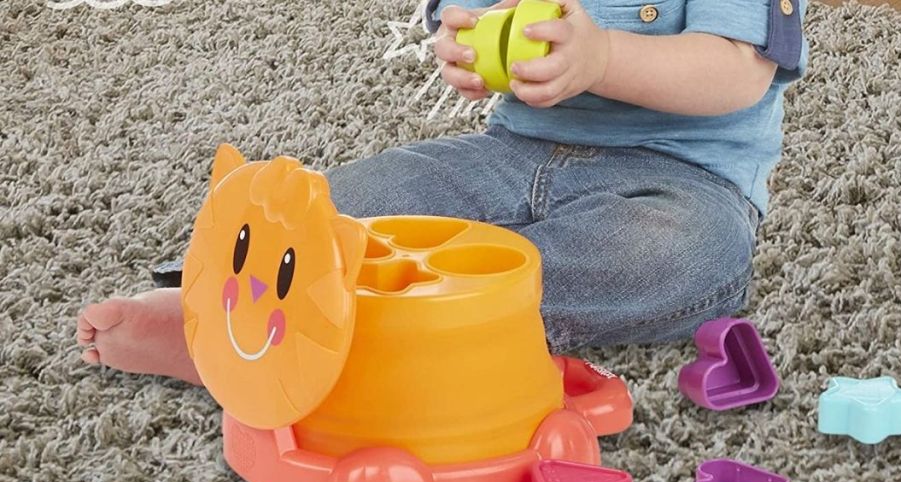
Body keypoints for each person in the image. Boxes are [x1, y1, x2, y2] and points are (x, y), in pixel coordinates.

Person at [77, 0, 807, 384]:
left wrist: (604, 56)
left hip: (678, 178)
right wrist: (466, 39)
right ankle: (220, 309)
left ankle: (373, 323)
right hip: (510, 151)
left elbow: (734, 72)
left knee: (677, 256)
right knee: (366, 193)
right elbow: (462, 14)